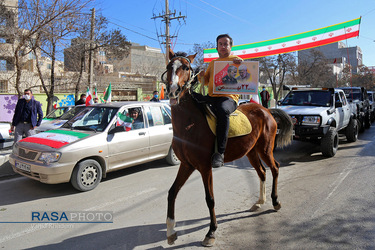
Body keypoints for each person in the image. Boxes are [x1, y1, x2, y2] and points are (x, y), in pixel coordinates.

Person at [198, 34, 243, 168]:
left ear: (230, 46)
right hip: (212, 97)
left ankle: (220, 153)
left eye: (226, 44)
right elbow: (206, 82)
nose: (223, 46)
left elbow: (244, 76)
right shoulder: (213, 63)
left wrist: (241, 64)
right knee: (193, 100)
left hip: (229, 99)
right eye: (220, 44)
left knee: (223, 111)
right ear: (217, 47)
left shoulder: (236, 60)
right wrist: (201, 77)